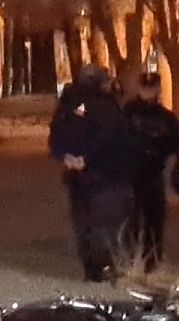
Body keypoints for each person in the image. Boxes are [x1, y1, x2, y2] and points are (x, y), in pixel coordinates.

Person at [48, 64, 138, 282]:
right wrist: (86, 159)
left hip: (76, 176)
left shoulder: (67, 104)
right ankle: (105, 268)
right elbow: (111, 139)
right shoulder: (106, 106)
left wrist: (65, 155)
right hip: (105, 175)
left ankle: (91, 269)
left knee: (83, 222)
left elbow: (55, 134)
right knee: (105, 223)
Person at [123, 72, 179, 271]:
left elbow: (176, 143)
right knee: (130, 221)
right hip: (130, 175)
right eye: (145, 88)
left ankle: (151, 262)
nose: (148, 92)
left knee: (153, 222)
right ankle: (131, 260)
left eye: (151, 88)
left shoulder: (165, 117)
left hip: (152, 174)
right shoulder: (129, 113)